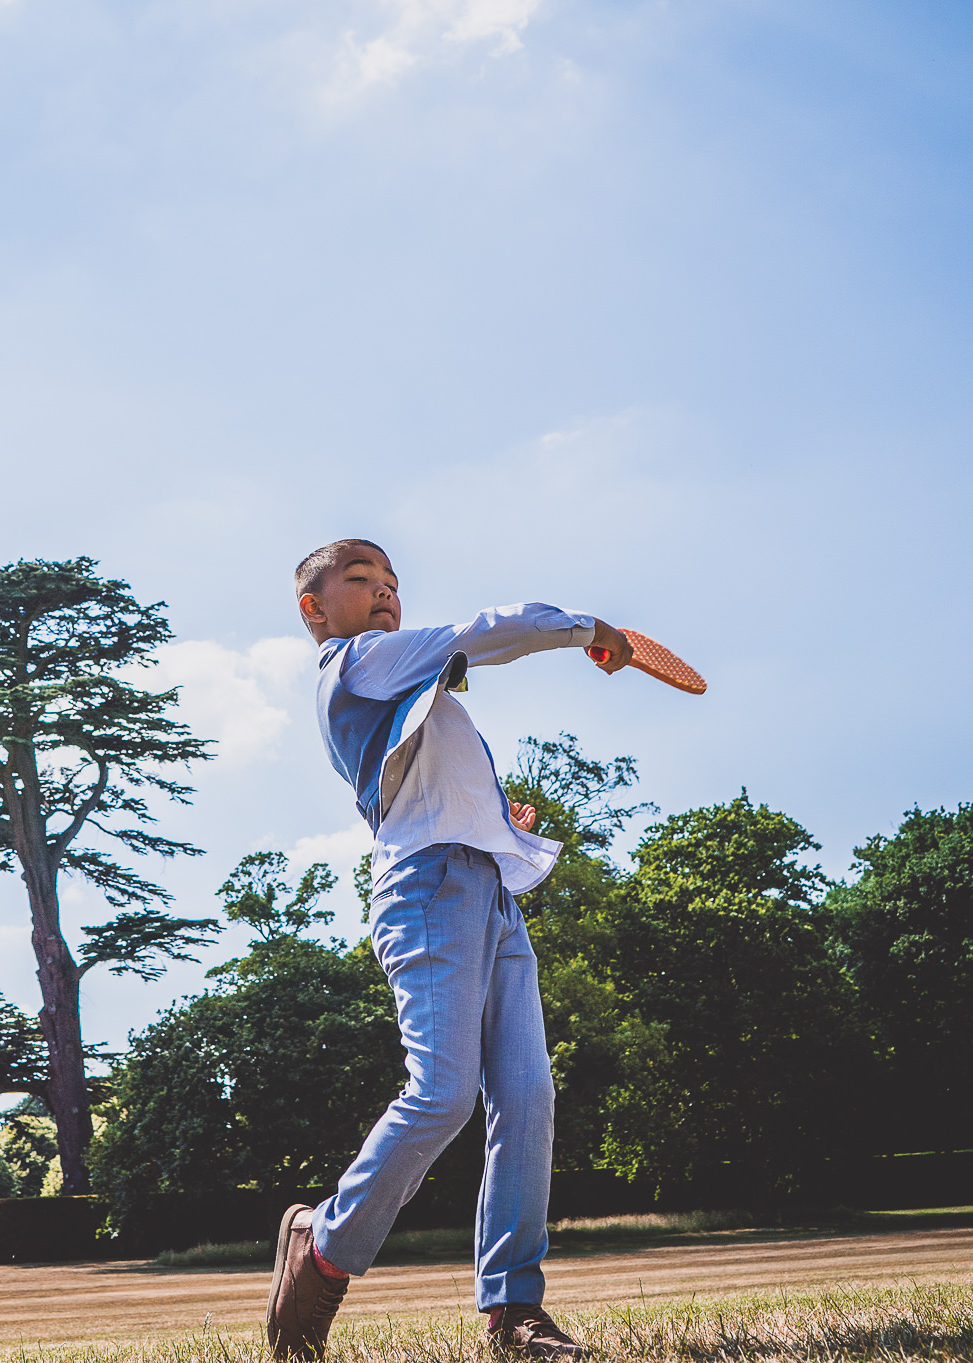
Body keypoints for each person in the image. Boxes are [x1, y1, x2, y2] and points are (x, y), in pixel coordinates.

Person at [264, 539, 630, 1362]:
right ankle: (321, 1246)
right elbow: (483, 631)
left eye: (393, 583)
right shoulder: (355, 662)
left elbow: (439, 786)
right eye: (361, 581)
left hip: (489, 895)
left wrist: (500, 822)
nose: (385, 594)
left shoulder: (418, 699)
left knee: (529, 1101)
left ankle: (515, 1311)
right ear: (313, 608)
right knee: (441, 1096)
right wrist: (583, 630)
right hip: (429, 891)